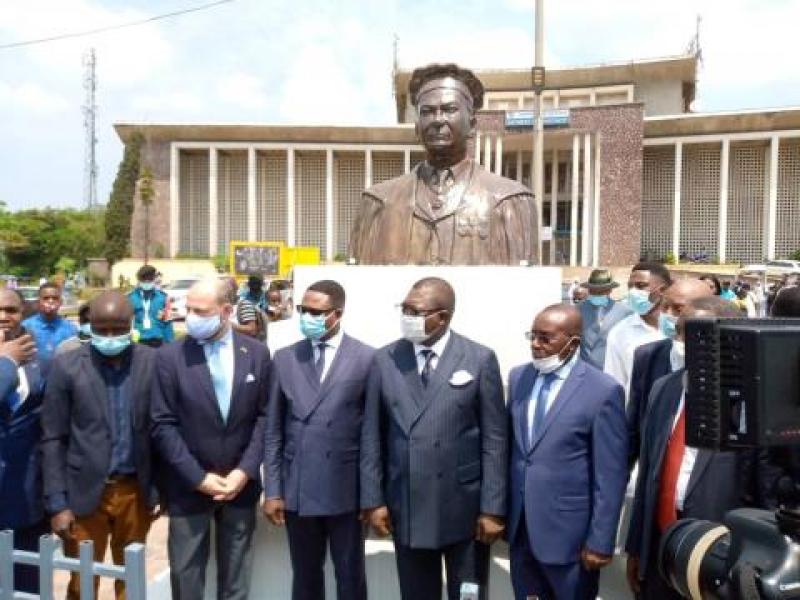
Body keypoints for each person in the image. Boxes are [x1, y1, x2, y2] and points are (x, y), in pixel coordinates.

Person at [360, 277, 507, 599]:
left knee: (468, 594)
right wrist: (373, 500)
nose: (407, 317)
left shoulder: (479, 358)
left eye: (416, 311)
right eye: (405, 309)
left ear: (443, 317)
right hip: (407, 503)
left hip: (465, 507)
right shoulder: (385, 359)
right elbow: (372, 435)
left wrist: (493, 508)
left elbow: (495, 440)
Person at [151, 278, 270, 600]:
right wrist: (197, 477)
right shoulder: (169, 357)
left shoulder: (256, 354)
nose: (189, 316)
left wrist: (243, 471)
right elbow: (162, 423)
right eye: (188, 309)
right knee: (186, 577)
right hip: (188, 486)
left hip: (239, 486)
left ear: (226, 311)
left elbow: (265, 418)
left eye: (199, 310)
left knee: (236, 580)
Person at [349, 63, 538, 266]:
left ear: (473, 125)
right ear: (416, 127)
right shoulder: (378, 202)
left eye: (449, 109)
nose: (438, 119)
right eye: (427, 111)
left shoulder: (508, 200)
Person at [626, 296, 749, 598]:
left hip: (718, 555)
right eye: (679, 331)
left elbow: (762, 491)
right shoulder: (663, 388)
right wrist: (636, 548)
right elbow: (648, 476)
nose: (681, 340)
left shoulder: (746, 402)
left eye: (692, 332)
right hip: (661, 548)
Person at [42, 291, 159, 599]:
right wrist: (58, 503)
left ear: (131, 325)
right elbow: (53, 437)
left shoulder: (152, 362)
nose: (109, 337)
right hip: (83, 495)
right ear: (88, 325)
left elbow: (161, 429)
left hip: (134, 492)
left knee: (130, 580)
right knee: (82, 583)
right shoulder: (66, 367)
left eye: (118, 330)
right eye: (102, 329)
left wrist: (159, 489)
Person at [507, 304, 627, 599]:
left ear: (573, 344)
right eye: (532, 336)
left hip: (570, 539)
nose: (535, 344)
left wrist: (601, 540)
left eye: (545, 338)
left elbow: (610, 475)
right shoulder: (519, 377)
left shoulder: (602, 390)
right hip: (521, 530)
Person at [264, 280, 374, 600]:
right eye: (303, 310)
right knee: (305, 577)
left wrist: (371, 496)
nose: (306, 316)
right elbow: (273, 430)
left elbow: (372, 436)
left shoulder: (367, 358)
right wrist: (273, 489)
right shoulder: (285, 358)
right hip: (298, 488)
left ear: (336, 314)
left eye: (316, 312)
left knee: (350, 577)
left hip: (347, 490)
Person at [627, 278, 712, 466]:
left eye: (678, 309)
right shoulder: (647, 356)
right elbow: (633, 428)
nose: (667, 314)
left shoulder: (730, 361)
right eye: (664, 306)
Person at [0, 290, 45, 594]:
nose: (4, 316)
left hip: (28, 500)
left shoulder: (40, 359)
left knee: (28, 587)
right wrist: (5, 362)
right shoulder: (12, 359)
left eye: (11, 309)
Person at [604, 262, 672, 397]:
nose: (633, 292)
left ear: (663, 290)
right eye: (630, 286)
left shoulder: (678, 327)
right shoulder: (619, 333)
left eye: (641, 286)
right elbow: (615, 383)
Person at [577, 269, 631, 369]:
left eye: (602, 291)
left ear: (610, 290)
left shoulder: (625, 312)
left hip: (612, 369)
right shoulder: (577, 310)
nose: (598, 293)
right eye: (594, 290)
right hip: (584, 369)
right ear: (589, 290)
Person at [22, 281, 77, 374]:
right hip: (34, 381)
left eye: (55, 298)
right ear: (39, 301)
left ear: (60, 302)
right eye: (46, 298)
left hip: (61, 380)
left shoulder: (71, 329)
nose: (50, 301)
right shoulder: (25, 326)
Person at [128, 265, 174, 348]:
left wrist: (170, 344)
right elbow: (126, 322)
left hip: (158, 341)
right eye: (143, 280)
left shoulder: (163, 298)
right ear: (139, 280)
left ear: (154, 279)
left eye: (149, 280)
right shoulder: (130, 298)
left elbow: (167, 323)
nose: (146, 282)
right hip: (138, 341)